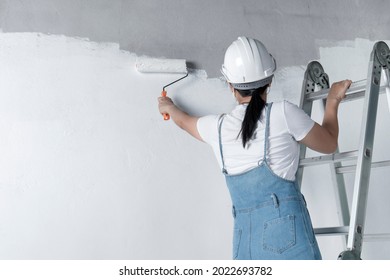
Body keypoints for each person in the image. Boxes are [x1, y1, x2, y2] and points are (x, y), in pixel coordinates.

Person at [158, 36, 352, 260]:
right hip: (288, 241)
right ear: (269, 81)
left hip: (245, 246)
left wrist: (167, 106)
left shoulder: (217, 128)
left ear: (230, 86)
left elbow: (184, 121)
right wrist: (332, 100)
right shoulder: (283, 114)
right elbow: (329, 143)